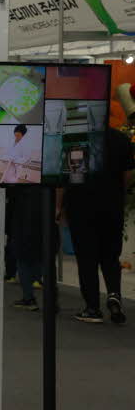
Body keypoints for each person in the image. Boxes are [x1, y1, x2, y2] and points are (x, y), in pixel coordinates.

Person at [61, 126, 135, 324]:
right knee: (110, 256)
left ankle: (92, 308)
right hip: (112, 207)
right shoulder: (121, 139)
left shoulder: (77, 139)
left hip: (82, 207)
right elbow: (128, 174)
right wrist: (116, 192)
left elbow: (72, 176)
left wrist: (60, 207)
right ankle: (114, 295)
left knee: (87, 259)